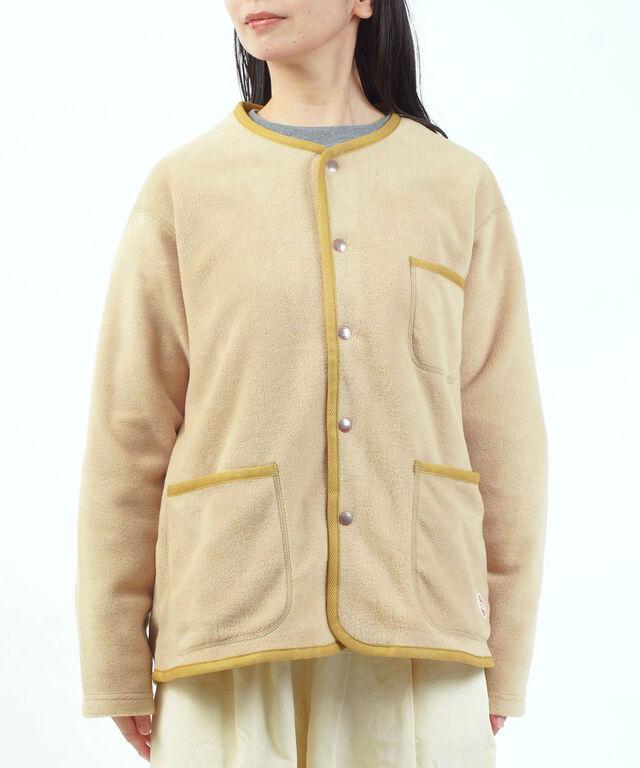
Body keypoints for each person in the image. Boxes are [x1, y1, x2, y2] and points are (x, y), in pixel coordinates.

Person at [74, 1, 548, 766]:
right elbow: (127, 436)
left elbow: (507, 440)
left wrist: (508, 651)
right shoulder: (184, 189)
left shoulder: (457, 188)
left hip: (420, 627)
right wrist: (115, 656)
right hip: (227, 627)